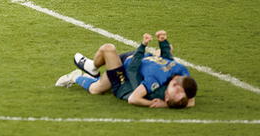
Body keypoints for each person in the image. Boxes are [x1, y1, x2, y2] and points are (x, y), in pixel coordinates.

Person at [55, 30, 197, 109]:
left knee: (97, 86)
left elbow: (134, 95)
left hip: (127, 69)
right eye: (180, 87)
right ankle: (93, 68)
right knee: (167, 51)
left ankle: (75, 76)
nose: (178, 85)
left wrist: (161, 105)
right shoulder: (182, 74)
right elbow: (191, 101)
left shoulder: (155, 81)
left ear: (167, 97)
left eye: (177, 90)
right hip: (137, 58)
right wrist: (163, 42)